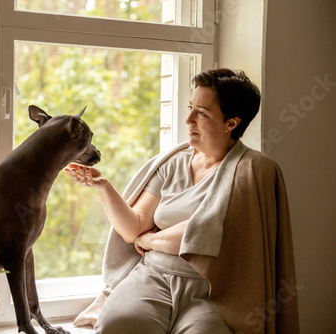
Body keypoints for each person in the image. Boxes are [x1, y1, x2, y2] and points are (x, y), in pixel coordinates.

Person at [64, 68, 300, 334]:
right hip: (154, 277)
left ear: (231, 123)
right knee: (116, 325)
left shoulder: (253, 170)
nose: (188, 119)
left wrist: (149, 240)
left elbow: (199, 233)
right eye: (190, 107)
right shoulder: (172, 163)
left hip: (213, 290)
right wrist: (103, 186)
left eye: (202, 113)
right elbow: (133, 228)